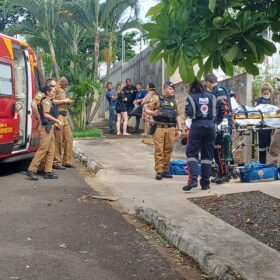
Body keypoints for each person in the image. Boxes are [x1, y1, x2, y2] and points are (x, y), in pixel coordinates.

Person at [182, 80, 217, 191]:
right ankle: (205, 184)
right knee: (207, 156)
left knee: (192, 153)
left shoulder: (191, 97)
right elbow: (217, 113)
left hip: (197, 125)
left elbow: (189, 113)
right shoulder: (212, 97)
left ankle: (193, 180)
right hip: (211, 126)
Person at [146, 81, 182, 180]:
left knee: (168, 149)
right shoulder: (157, 99)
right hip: (160, 128)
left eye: (173, 89)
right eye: (170, 89)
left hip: (171, 128)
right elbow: (147, 109)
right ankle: (159, 170)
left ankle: (166, 170)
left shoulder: (175, 101)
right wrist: (154, 113)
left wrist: (179, 129)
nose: (172, 90)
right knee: (159, 150)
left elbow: (178, 115)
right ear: (164, 89)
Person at [26, 86, 63, 180]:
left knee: (51, 150)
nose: (55, 92)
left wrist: (55, 123)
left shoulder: (49, 100)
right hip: (45, 126)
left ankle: (48, 171)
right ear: (47, 91)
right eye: (53, 90)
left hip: (49, 126)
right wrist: (39, 117)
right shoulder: (43, 98)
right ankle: (31, 170)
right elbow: (37, 107)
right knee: (43, 149)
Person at [204, 73, 232, 184]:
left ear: (207, 82)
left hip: (223, 124)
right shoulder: (216, 90)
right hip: (218, 123)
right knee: (217, 149)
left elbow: (224, 106)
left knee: (221, 149)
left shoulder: (219, 90)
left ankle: (225, 173)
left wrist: (224, 120)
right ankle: (221, 172)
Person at [53, 76, 75, 170]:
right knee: (58, 139)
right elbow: (50, 101)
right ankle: (56, 162)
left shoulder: (63, 89)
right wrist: (63, 100)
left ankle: (67, 161)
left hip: (64, 117)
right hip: (58, 116)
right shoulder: (55, 88)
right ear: (62, 81)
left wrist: (68, 102)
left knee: (69, 138)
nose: (67, 85)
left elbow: (61, 102)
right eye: (66, 83)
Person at [254, 83, 273, 164]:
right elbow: (255, 110)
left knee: (271, 146)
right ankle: (262, 164)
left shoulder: (273, 100)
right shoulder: (258, 100)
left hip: (271, 125)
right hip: (261, 126)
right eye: (264, 90)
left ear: (270, 91)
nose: (265, 92)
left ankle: (273, 165)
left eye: (267, 90)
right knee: (262, 147)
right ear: (262, 91)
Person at [268, 75, 280, 165]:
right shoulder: (275, 93)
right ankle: (275, 168)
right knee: (273, 147)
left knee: (274, 146)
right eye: (277, 80)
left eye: (279, 80)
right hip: (277, 122)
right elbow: (271, 106)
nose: (278, 82)